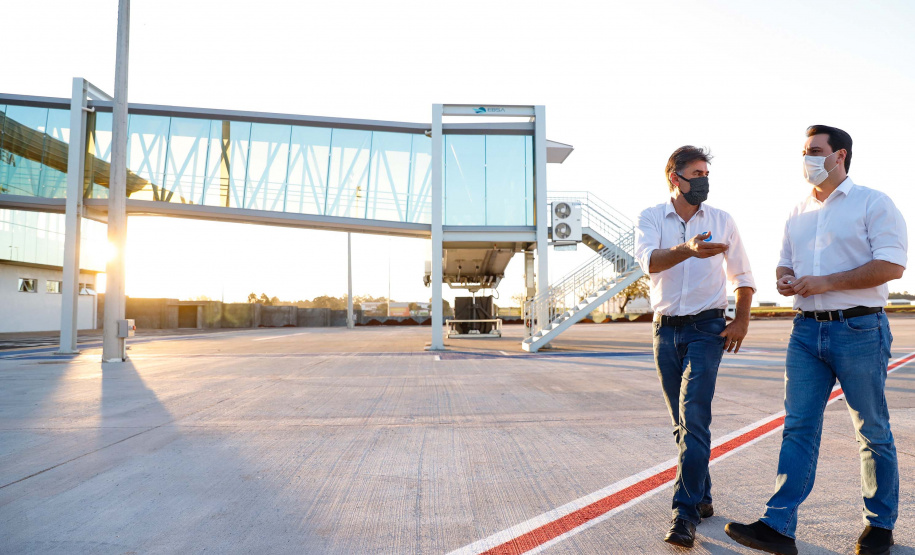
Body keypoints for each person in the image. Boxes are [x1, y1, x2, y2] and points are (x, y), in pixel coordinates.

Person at [725, 125, 907, 555]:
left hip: (859, 329)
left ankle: (880, 525)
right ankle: (778, 526)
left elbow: (891, 266)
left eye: (814, 151)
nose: (806, 158)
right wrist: (785, 279)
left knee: (872, 430)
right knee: (798, 427)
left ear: (839, 155)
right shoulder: (798, 210)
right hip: (805, 331)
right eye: (803, 151)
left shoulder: (873, 202)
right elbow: (783, 264)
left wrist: (825, 281)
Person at [635, 145, 756, 548]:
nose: (703, 180)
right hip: (665, 330)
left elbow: (743, 275)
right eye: (696, 173)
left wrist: (740, 319)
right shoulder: (652, 217)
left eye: (706, 173)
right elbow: (649, 262)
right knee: (681, 423)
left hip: (707, 330)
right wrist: (687, 250)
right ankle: (702, 495)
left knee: (694, 417)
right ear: (675, 177)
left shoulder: (722, 221)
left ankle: (683, 513)